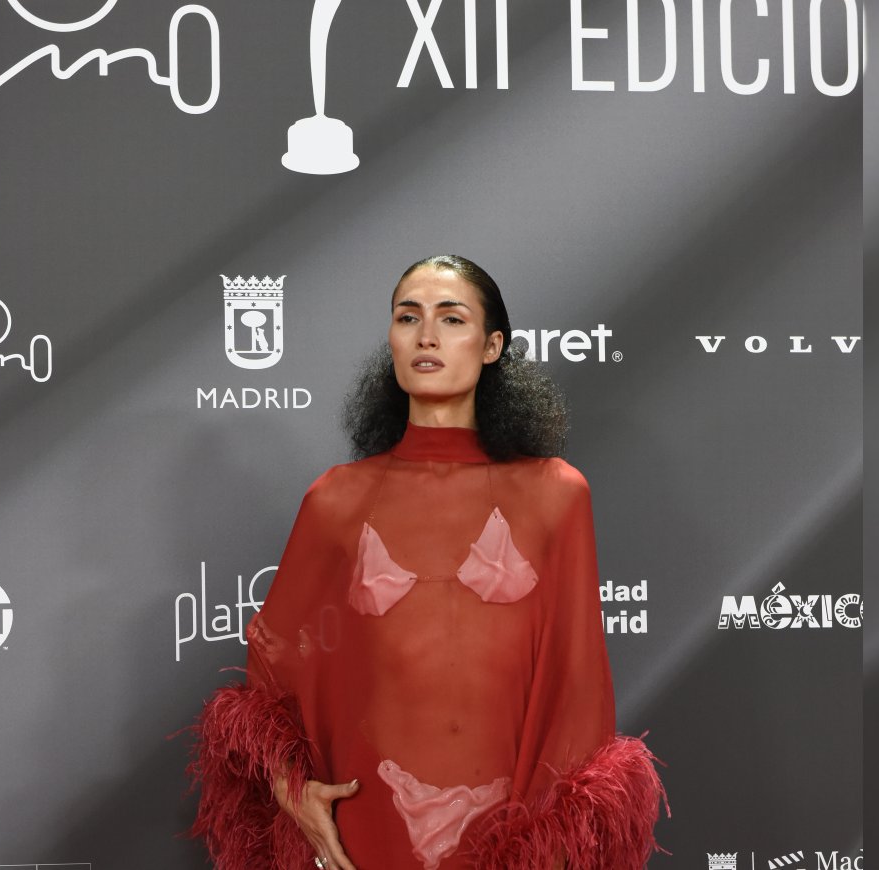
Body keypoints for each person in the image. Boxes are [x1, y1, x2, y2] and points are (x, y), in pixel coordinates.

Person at [182, 255, 668, 869]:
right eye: (408, 317)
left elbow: (577, 682)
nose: (426, 336)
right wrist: (291, 788)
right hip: (365, 824)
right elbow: (273, 657)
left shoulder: (558, 494)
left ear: (492, 346)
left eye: (451, 318)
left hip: (512, 833)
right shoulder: (336, 498)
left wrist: (550, 843)